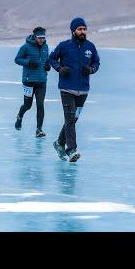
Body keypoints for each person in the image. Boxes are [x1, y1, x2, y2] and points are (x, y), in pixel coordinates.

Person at [48, 17, 100, 162]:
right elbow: (51, 58)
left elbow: (96, 62)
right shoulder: (64, 46)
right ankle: (71, 150)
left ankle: (59, 143)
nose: (82, 31)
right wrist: (59, 68)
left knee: (74, 119)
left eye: (84, 29)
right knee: (70, 118)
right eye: (79, 29)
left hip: (83, 90)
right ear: (73, 31)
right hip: (67, 88)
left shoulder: (90, 47)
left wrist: (91, 69)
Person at [14, 27, 51, 138]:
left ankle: (39, 130)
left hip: (41, 81)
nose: (41, 40)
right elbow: (17, 59)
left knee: (40, 105)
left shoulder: (46, 47)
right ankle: (20, 116)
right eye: (39, 38)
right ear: (34, 37)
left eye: (43, 38)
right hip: (29, 81)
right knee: (28, 105)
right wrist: (29, 62)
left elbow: (46, 59)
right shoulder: (25, 47)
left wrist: (47, 65)